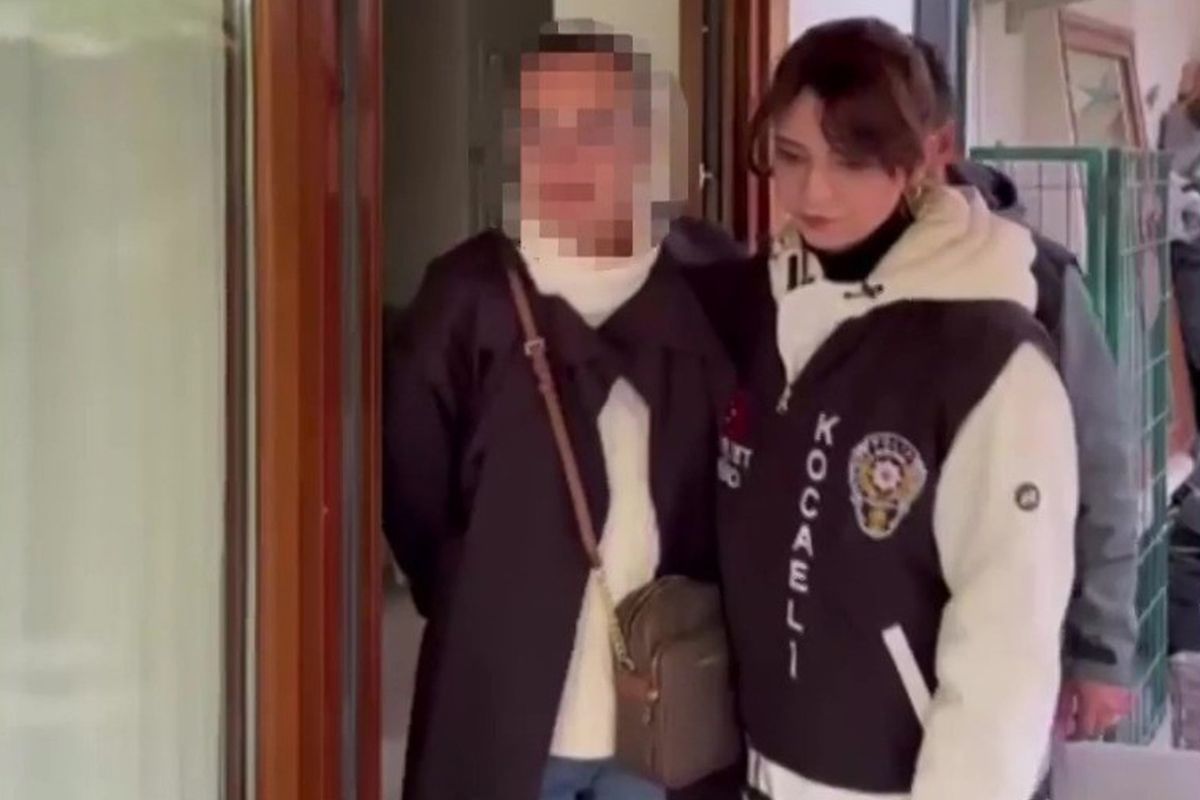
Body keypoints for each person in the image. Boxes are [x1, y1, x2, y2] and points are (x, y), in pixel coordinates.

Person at [689, 19, 1079, 800]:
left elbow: (1007, 642)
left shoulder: (988, 356)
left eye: (852, 161)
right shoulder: (756, 310)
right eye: (791, 156)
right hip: (762, 773)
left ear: (921, 160)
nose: (814, 192)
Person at [382, 22, 733, 800]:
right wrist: (491, 594)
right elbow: (414, 500)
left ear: (644, 143)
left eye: (593, 128)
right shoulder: (467, 299)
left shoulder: (711, 281)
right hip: (504, 713)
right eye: (540, 131)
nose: (563, 158)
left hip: (668, 725)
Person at [912, 38, 1139, 743]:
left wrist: (1101, 649)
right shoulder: (818, 279)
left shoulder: (1038, 280)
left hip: (1010, 650)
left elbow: (1102, 466)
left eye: (876, 145)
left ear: (940, 145)